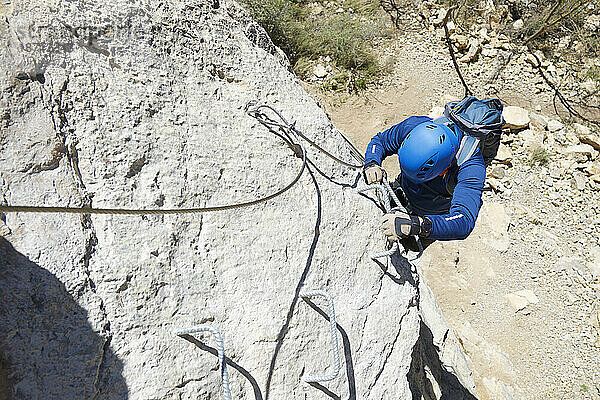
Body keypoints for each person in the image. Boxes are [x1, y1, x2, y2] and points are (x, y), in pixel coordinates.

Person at [363, 116, 486, 247]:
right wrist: (372, 162)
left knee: (412, 246)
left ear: (445, 168)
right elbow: (380, 141)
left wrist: (418, 225)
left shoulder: (471, 169)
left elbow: (464, 220)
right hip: (402, 191)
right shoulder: (413, 127)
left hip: (429, 216)